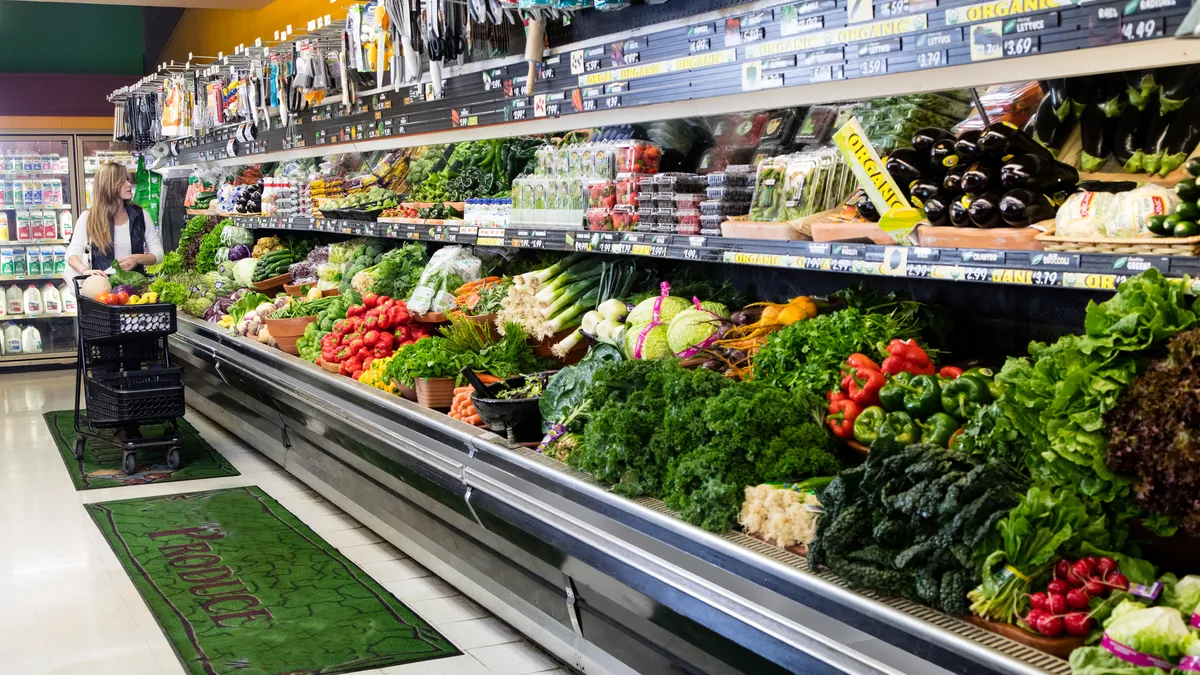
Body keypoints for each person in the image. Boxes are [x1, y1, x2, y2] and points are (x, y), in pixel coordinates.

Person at [66, 162, 164, 283]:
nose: (129, 184)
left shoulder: (141, 215)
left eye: (127, 179)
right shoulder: (88, 218)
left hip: (134, 290)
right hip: (101, 289)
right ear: (109, 185)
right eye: (122, 181)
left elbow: (158, 254)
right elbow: (72, 255)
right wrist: (85, 271)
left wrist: (137, 259)